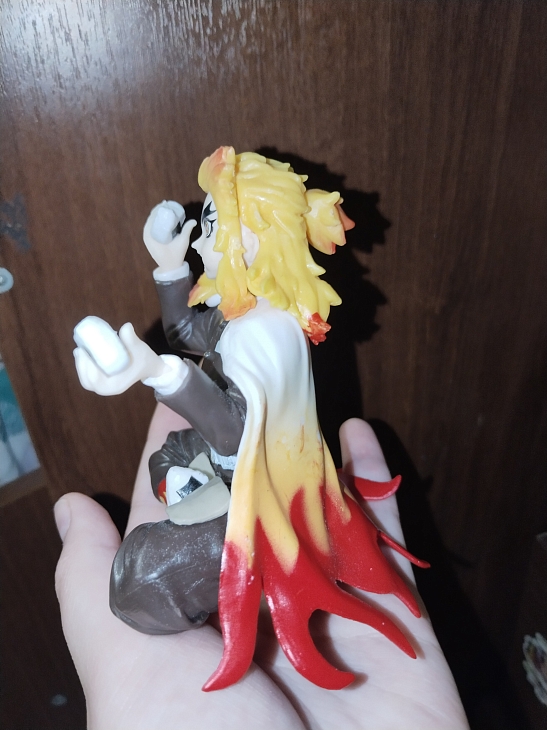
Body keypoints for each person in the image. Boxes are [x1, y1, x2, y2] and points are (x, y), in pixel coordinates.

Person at [72, 147, 449, 694]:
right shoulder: (244, 311)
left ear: (256, 237)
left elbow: (235, 430)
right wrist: (169, 266)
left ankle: (229, 556)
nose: (201, 242)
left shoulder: (268, 331)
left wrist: (156, 371)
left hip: (259, 499)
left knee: (140, 581)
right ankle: (193, 494)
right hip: (233, 465)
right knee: (169, 456)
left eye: (212, 227)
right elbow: (185, 333)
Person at [54, 408, 470, 730]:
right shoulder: (260, 577)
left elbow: (180, 447)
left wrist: (174, 480)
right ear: (200, 613)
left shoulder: (207, 479)